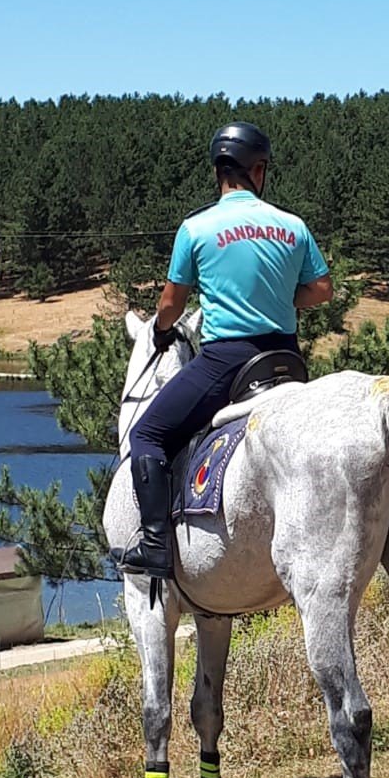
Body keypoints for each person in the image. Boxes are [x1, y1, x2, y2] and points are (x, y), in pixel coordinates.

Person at [119, 121, 332, 578]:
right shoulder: (293, 225)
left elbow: (172, 305)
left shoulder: (196, 229)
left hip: (227, 361)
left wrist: (158, 330)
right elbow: (322, 289)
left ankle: (157, 545)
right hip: (287, 362)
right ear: (258, 170)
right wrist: (278, 299)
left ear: (220, 170)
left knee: (147, 435)